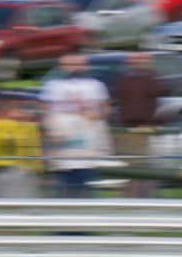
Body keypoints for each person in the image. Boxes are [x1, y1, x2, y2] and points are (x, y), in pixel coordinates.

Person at [40, 53, 110, 198]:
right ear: (61, 67)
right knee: (63, 179)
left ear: (85, 66)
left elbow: (105, 108)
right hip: (61, 140)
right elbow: (45, 110)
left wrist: (95, 115)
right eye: (68, 65)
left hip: (87, 139)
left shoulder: (96, 85)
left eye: (77, 64)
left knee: (85, 177)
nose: (73, 68)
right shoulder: (52, 86)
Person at [111, 51, 164, 196]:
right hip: (130, 130)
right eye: (135, 60)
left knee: (147, 168)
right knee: (134, 168)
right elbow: (121, 103)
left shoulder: (152, 78)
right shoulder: (124, 80)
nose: (139, 62)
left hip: (147, 130)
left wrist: (152, 123)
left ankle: (145, 199)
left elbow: (157, 100)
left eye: (143, 60)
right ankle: (132, 199)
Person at [0, 97, 41, 198]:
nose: (16, 113)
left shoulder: (25, 126)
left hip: (21, 170)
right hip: (3, 169)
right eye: (12, 110)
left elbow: (30, 145)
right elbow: (2, 139)